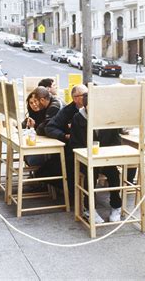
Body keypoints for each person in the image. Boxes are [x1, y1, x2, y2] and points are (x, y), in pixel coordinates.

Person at [69, 94, 123, 223]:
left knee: (114, 174)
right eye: (90, 107)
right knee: (90, 174)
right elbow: (74, 142)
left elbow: (116, 139)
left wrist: (108, 154)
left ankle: (116, 206)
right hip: (85, 157)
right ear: (85, 106)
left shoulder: (108, 116)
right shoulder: (78, 118)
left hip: (105, 157)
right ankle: (89, 208)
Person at [44, 84, 88, 192]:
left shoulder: (95, 107)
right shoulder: (67, 111)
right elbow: (50, 127)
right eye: (85, 95)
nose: (88, 97)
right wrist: (64, 136)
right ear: (75, 98)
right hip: (74, 149)